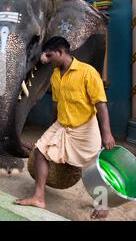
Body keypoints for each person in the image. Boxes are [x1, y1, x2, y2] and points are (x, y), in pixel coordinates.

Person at [14, 36, 116, 220]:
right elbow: (56, 103)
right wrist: (53, 129)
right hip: (62, 124)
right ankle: (38, 197)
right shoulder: (55, 75)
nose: (46, 59)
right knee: (40, 151)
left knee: (94, 166)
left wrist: (106, 133)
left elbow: (101, 104)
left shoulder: (88, 72)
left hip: (85, 127)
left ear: (61, 52)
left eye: (50, 55)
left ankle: (102, 203)